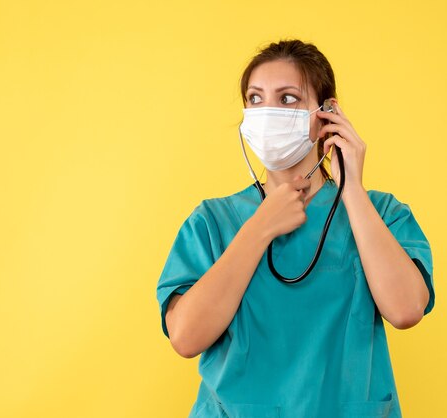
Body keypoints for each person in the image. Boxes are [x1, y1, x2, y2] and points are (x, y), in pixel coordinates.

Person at [155, 39, 434, 418]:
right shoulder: (211, 221)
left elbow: (405, 310)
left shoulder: (381, 213)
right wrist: (259, 228)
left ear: (327, 114)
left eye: (287, 99)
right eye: (255, 99)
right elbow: (185, 338)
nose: (267, 111)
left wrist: (351, 189)